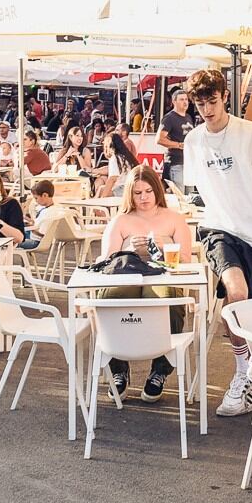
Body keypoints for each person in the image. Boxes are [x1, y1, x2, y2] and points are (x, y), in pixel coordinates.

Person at [182, 68, 252, 417]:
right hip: (219, 230)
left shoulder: (251, 134)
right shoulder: (194, 141)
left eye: (212, 101)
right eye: (200, 104)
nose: (207, 110)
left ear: (225, 97)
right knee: (237, 292)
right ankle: (241, 373)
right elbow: (196, 194)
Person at [97, 165, 194, 401]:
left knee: (166, 298)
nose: (143, 198)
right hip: (127, 274)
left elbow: (185, 260)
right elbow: (105, 260)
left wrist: (161, 246)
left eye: (148, 192)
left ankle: (160, 369)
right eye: (137, 193)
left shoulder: (173, 219)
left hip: (162, 274)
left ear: (157, 191)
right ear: (130, 194)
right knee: (111, 298)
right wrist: (128, 250)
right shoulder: (121, 221)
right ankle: (117, 367)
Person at [158, 88, 197, 188]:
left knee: (190, 196)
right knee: (180, 195)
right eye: (181, 99)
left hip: (188, 162)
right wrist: (179, 145)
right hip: (176, 163)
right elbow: (159, 139)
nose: (185, 102)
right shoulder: (169, 118)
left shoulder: (188, 116)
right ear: (174, 101)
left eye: (186, 99)